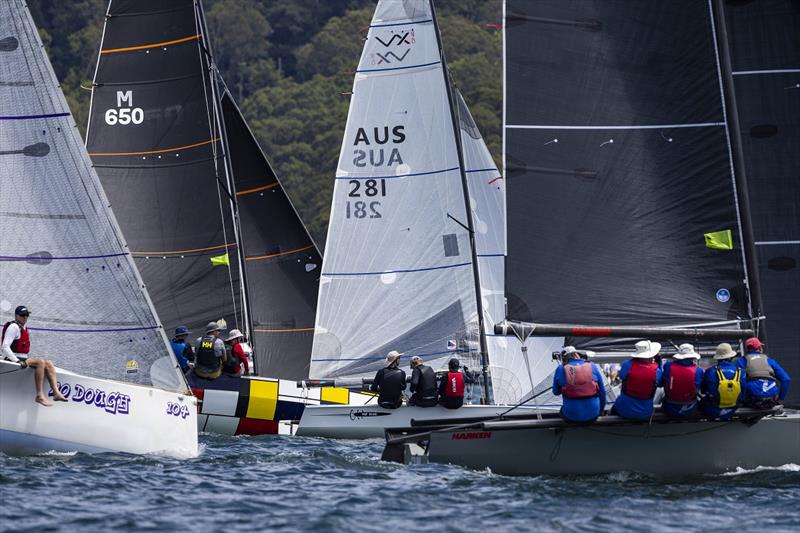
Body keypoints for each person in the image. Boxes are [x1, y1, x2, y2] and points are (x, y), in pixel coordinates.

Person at [2, 305, 67, 406]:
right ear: (16, 316)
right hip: (12, 359)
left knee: (49, 363)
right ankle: (39, 395)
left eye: (27, 315)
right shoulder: (13, 327)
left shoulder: (24, 327)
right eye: (22, 315)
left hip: (23, 358)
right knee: (40, 362)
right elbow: (5, 346)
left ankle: (56, 393)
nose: (25, 317)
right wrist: (16, 361)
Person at [552, 346, 606, 423]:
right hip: (593, 415)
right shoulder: (592, 365)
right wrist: (600, 411)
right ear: (577, 354)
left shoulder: (561, 369)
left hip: (571, 417)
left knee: (562, 411)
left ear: (563, 358)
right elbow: (602, 393)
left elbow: (556, 392)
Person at [611, 340, 663, 420]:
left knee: (614, 408)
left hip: (623, 410)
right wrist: (658, 362)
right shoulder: (657, 372)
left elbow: (622, 376)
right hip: (645, 412)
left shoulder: (626, 365)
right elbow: (660, 383)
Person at [739, 337, 791, 409]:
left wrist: (742, 398)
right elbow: (786, 379)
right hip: (771, 401)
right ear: (759, 348)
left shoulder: (742, 360)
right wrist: (780, 399)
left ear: (747, 349)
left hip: (752, 400)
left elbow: (740, 381)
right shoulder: (769, 360)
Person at [700, 342, 745, 420]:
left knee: (700, 403)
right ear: (731, 357)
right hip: (733, 408)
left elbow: (703, 390)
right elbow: (743, 393)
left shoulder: (710, 371)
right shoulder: (740, 371)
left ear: (718, 358)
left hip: (713, 409)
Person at [660, 343, 703, 418]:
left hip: (669, 407)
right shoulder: (698, 371)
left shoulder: (668, 366)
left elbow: (661, 383)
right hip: (691, 408)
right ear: (693, 357)